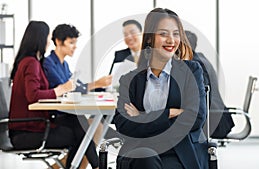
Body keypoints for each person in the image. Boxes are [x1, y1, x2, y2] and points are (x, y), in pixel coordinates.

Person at [114, 8, 207, 169]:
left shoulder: (191, 71)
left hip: (177, 150)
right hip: (140, 149)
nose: (171, 40)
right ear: (150, 38)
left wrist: (143, 117)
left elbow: (196, 118)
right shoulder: (130, 80)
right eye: (163, 34)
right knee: (145, 158)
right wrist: (170, 113)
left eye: (176, 34)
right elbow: (123, 124)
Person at [8, 21, 100, 169]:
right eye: (47, 38)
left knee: (78, 123)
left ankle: (96, 166)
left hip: (30, 127)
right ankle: (98, 166)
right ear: (40, 38)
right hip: (26, 133)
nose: (48, 43)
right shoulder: (31, 63)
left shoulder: (30, 62)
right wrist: (61, 89)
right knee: (79, 133)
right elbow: (33, 95)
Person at [42, 23, 111, 169]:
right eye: (71, 42)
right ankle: (97, 166)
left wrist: (97, 86)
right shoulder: (48, 63)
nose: (75, 46)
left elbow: (77, 86)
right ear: (59, 42)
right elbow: (67, 90)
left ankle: (92, 166)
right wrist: (96, 83)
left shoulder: (64, 65)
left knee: (83, 128)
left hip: (68, 115)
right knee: (81, 130)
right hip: (56, 116)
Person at [184, 30, 235, 139]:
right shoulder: (200, 58)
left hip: (214, 121)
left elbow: (202, 96)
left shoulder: (196, 64)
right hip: (218, 117)